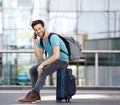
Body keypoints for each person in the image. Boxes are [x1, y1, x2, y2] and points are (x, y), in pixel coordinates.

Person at [18, 19, 69, 103]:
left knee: (43, 70)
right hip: (54, 61)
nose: (38, 31)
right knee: (33, 69)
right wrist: (35, 43)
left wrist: (42, 65)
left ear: (44, 27)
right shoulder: (41, 41)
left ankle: (34, 93)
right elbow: (39, 57)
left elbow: (57, 56)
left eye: (39, 28)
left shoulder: (53, 37)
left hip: (62, 61)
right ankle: (36, 95)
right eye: (36, 30)